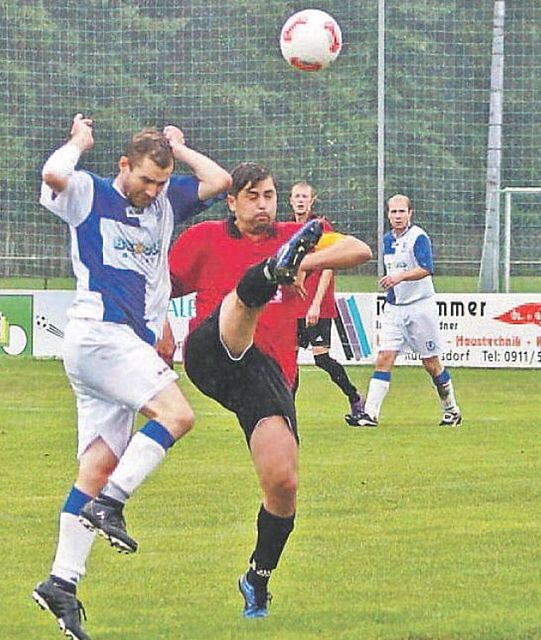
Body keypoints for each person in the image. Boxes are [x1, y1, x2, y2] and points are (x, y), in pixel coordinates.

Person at [31, 114, 231, 640]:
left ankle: (61, 582)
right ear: (124, 165)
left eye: (161, 183)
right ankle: (112, 505)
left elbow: (221, 182)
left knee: (96, 467)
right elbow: (53, 175)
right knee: (178, 414)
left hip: (119, 348)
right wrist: (77, 141)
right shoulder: (90, 193)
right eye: (145, 179)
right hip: (101, 335)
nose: (152, 191)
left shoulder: (165, 202)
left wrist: (180, 150)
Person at [168, 162, 372, 619]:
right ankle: (264, 277)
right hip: (213, 354)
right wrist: (158, 329)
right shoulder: (202, 239)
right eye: (253, 197)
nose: (264, 205)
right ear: (232, 202)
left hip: (269, 379)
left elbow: (360, 250)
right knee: (243, 299)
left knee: (283, 484)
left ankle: (257, 578)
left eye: (270, 196)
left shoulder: (294, 236)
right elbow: (155, 287)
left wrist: (305, 261)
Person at [346, 194, 462, 427]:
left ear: (410, 213)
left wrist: (399, 277)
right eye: (393, 212)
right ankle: (370, 414)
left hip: (420, 307)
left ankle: (451, 410)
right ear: (388, 214)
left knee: (430, 362)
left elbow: (426, 268)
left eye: (402, 211)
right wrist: (392, 284)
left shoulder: (419, 237)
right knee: (384, 357)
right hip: (394, 309)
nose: (398, 216)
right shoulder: (387, 239)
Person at [288, 181, 365, 418]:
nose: (300, 200)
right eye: (297, 196)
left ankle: (354, 397)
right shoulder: (286, 229)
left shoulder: (320, 227)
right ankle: (287, 410)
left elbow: (329, 265)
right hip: (293, 306)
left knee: (321, 358)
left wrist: (315, 304)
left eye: (305, 197)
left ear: (312, 201)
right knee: (289, 360)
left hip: (317, 306)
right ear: (290, 200)